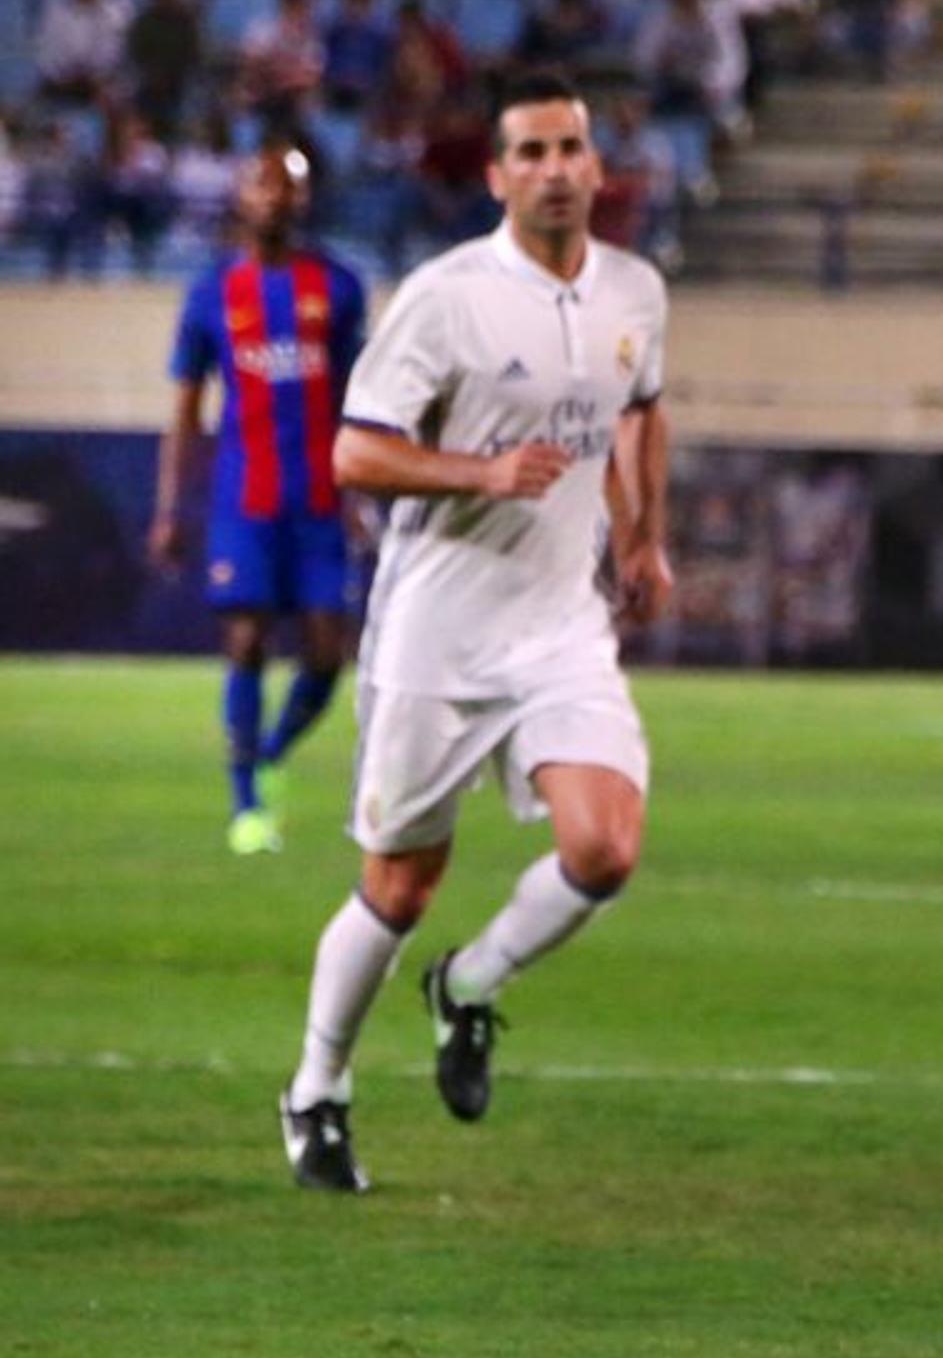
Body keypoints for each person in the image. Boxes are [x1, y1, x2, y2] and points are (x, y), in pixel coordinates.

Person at [274, 71, 675, 1195]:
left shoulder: (634, 293)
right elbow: (356, 453)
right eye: (530, 152)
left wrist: (641, 538)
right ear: (497, 176)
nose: (554, 169)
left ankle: (473, 984)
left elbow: (641, 412)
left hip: (559, 627)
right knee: (399, 885)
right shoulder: (446, 298)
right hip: (436, 634)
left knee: (606, 845)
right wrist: (479, 470)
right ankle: (318, 1086)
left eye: (569, 148)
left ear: (597, 167)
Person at [153, 146, 371, 854]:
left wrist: (363, 488)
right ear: (241, 196)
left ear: (306, 200)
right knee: (244, 641)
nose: (275, 197)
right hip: (243, 502)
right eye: (264, 184)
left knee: (326, 655)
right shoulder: (211, 294)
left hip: (318, 502)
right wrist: (169, 508)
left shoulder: (338, 287)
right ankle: (246, 805)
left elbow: (357, 399)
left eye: (290, 186)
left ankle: (271, 752)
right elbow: (185, 408)